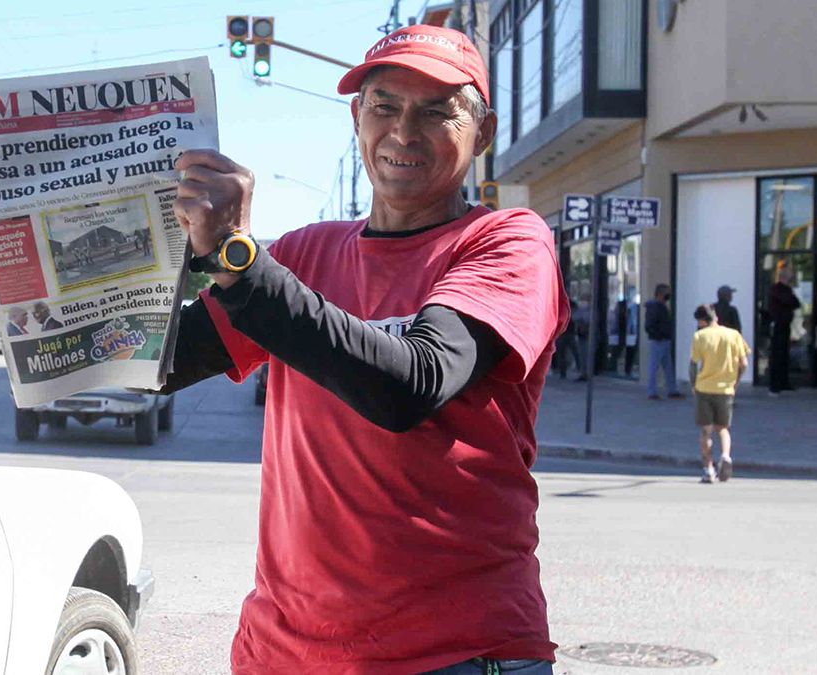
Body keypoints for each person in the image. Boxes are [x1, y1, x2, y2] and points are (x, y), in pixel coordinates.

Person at [159, 24, 568, 675]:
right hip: (283, 653)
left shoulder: (508, 242)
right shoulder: (302, 253)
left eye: (438, 112)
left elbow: (411, 382)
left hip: (451, 653)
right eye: (385, 106)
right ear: (358, 117)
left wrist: (238, 261)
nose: (405, 132)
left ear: (482, 134)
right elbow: (160, 363)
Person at [690, 304, 750, 483]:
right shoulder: (733, 335)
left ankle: (708, 469)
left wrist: (693, 385)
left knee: (706, 431)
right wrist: (735, 381)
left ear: (701, 321)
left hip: (705, 388)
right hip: (726, 389)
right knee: (723, 429)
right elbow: (744, 363)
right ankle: (725, 456)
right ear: (715, 316)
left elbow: (693, 364)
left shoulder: (699, 336)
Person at [766, 266, 801, 395]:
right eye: (789, 277)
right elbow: (789, 300)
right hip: (778, 325)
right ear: (783, 278)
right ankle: (774, 386)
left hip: (785, 324)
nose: (790, 279)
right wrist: (790, 299)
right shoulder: (777, 289)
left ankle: (784, 382)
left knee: (784, 354)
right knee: (777, 355)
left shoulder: (786, 290)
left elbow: (796, 303)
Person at [644, 283, 682, 399]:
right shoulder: (655, 307)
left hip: (664, 340)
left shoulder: (661, 306)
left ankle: (672, 390)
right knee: (654, 366)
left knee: (668, 366)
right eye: (667, 293)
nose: (668, 295)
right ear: (660, 294)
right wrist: (659, 335)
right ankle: (652, 392)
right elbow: (649, 325)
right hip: (658, 340)